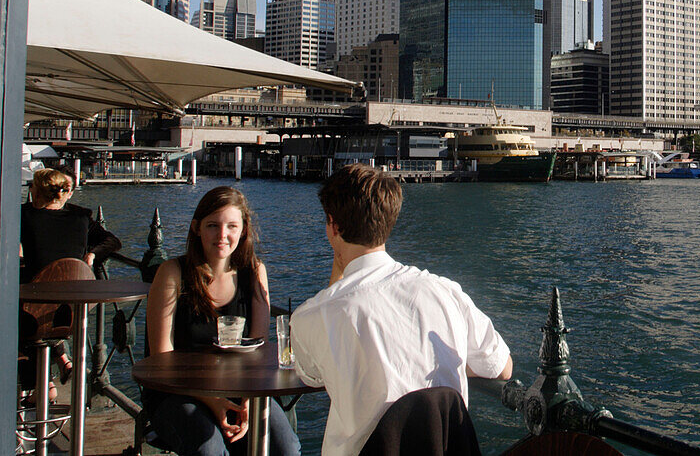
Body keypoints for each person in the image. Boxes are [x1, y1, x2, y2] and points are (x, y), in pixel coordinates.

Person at [291, 164, 513, 456]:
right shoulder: (445, 291)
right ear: (389, 221)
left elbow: (312, 376)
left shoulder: (311, 315)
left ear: (333, 226)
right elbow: (503, 367)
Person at [144, 187, 300, 456]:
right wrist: (213, 401)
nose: (222, 235)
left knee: (286, 448)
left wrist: (249, 402)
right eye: (213, 225)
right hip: (178, 391)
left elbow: (259, 347)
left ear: (243, 231)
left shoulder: (254, 272)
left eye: (231, 226)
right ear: (196, 228)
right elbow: (162, 358)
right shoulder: (172, 273)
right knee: (209, 449)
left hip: (242, 389)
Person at [19, 166, 122, 398]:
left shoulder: (24, 216)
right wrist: (92, 254)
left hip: (33, 316)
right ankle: (51, 377)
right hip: (74, 314)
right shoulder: (81, 217)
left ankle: (40, 384)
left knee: (18, 316)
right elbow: (113, 241)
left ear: (38, 192)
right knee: (41, 314)